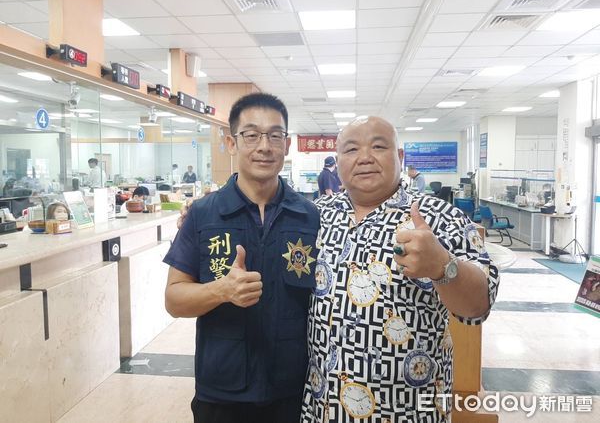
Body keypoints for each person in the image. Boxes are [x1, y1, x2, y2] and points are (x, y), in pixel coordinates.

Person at [300, 117, 499, 422]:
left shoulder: (440, 217)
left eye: (378, 146)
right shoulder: (316, 216)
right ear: (338, 161)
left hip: (406, 411)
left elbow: (478, 306)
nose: (365, 157)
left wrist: (443, 266)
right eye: (352, 149)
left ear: (400, 156)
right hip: (322, 408)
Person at [163, 92, 320, 423]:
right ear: (232, 143)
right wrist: (220, 290)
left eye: (274, 135)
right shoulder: (204, 215)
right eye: (251, 135)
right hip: (222, 393)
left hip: (293, 390)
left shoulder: (309, 217)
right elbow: (174, 300)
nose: (264, 146)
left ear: (286, 144)